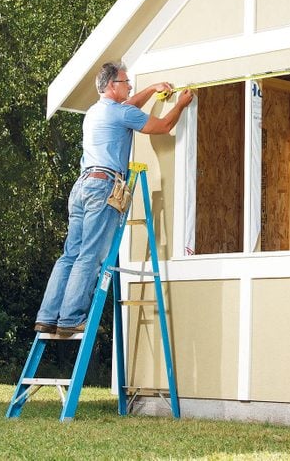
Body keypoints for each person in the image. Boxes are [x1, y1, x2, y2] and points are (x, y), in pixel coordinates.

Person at [35, 61, 194, 336]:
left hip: (82, 187)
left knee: (70, 255)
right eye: (125, 81)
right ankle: (71, 319)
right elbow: (164, 125)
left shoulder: (96, 112)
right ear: (111, 86)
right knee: (90, 256)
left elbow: (129, 104)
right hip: (103, 187)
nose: (129, 85)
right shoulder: (120, 114)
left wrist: (152, 89)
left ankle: (47, 316)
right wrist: (180, 104)